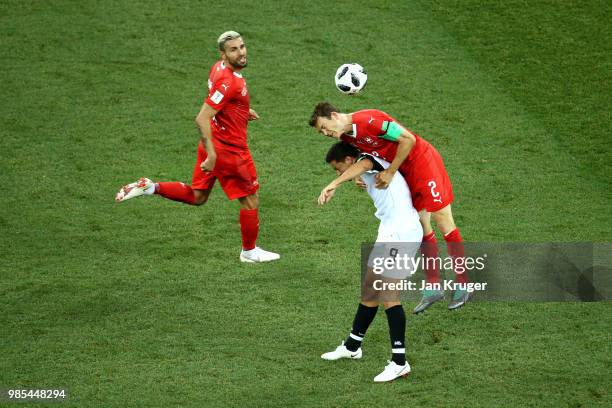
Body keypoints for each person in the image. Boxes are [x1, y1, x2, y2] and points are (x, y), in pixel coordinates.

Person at [115, 31, 279, 263]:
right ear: (223, 53)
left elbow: (220, 101)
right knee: (250, 199)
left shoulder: (219, 69)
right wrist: (212, 155)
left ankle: (150, 187)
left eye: (242, 46)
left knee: (198, 196)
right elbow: (201, 118)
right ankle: (249, 252)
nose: (241, 52)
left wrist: (240, 112)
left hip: (215, 143)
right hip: (229, 151)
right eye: (234, 49)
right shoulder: (228, 81)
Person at [309, 102, 467, 312]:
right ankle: (433, 285)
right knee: (421, 224)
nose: (325, 133)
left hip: (422, 163)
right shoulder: (346, 137)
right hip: (405, 171)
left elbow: (408, 139)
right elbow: (366, 159)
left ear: (335, 115)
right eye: (321, 132)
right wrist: (360, 177)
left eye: (324, 127)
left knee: (443, 220)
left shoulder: (371, 120)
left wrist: (391, 171)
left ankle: (464, 282)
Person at [318, 141, 423, 383]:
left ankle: (399, 362)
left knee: (389, 297)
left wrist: (334, 184)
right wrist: (359, 180)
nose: (339, 174)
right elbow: (364, 172)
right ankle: (353, 345)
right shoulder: (368, 170)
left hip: (400, 235)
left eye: (339, 168)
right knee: (370, 290)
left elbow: (363, 164)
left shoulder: (367, 160)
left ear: (348, 160)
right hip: (389, 231)